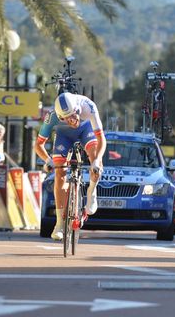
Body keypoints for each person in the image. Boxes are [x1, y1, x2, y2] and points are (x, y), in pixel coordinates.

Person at [34, 92, 106, 241]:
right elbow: (38, 145)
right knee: (60, 174)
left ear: (78, 109)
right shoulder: (52, 116)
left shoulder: (89, 107)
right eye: (67, 118)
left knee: (96, 160)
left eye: (74, 115)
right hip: (63, 136)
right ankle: (59, 223)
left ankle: (92, 191)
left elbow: (101, 139)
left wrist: (96, 160)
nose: (72, 121)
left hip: (86, 131)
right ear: (60, 117)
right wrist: (48, 161)